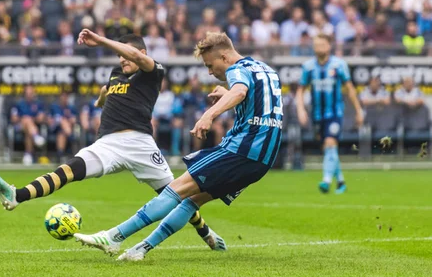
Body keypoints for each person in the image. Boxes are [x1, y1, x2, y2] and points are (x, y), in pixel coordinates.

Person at [0, 31, 226, 251]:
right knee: (68, 170)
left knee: (176, 195)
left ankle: (206, 233)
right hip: (108, 144)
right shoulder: (116, 74)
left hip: (140, 145)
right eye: (119, 56)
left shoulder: (153, 71)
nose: (122, 60)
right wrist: (101, 99)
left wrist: (101, 40)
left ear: (141, 54)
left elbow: (132, 55)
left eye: (124, 55)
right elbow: (107, 88)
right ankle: (17, 196)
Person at [74, 32, 282, 261]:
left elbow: (240, 90)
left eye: (210, 65)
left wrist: (209, 115)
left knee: (176, 189)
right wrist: (228, 93)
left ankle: (114, 236)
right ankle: (140, 250)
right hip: (263, 159)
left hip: (240, 150)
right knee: (193, 201)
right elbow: (258, 105)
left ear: (224, 57)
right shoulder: (265, 69)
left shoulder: (235, 70)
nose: (211, 72)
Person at [295, 34, 363, 194]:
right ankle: (340, 182)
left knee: (331, 143)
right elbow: (300, 90)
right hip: (317, 114)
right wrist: (300, 109)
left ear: (329, 46)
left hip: (335, 113)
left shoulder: (339, 65)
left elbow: (350, 88)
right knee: (328, 147)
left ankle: (326, 181)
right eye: (316, 45)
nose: (318, 47)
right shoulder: (308, 67)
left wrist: (358, 110)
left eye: (321, 44)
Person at [10, 85, 46, 166]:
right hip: (19, 126)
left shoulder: (38, 104)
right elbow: (14, 118)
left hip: (33, 127)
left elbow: (41, 118)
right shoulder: (18, 104)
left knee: (28, 132)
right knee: (26, 120)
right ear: (24, 93)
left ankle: (28, 154)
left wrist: (30, 119)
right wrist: (25, 119)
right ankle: (36, 136)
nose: (29, 94)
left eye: (31, 93)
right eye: (27, 93)